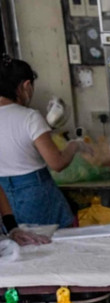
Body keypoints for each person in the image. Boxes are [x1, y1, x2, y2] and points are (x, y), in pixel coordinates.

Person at [0, 55, 90, 228]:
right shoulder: (30, 117)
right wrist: (75, 145)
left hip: (3, 199)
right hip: (34, 195)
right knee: (55, 238)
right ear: (26, 86)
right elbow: (57, 163)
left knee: (19, 241)